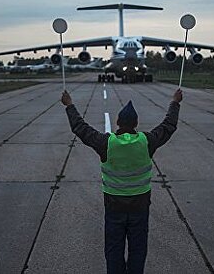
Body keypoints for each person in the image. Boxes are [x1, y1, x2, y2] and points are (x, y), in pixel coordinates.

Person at [61, 88, 183, 274]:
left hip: (114, 207)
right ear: (136, 123)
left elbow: (81, 128)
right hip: (140, 207)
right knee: (138, 250)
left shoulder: (106, 143)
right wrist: (175, 102)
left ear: (117, 123)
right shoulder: (147, 141)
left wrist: (69, 105)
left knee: (113, 250)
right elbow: (168, 126)